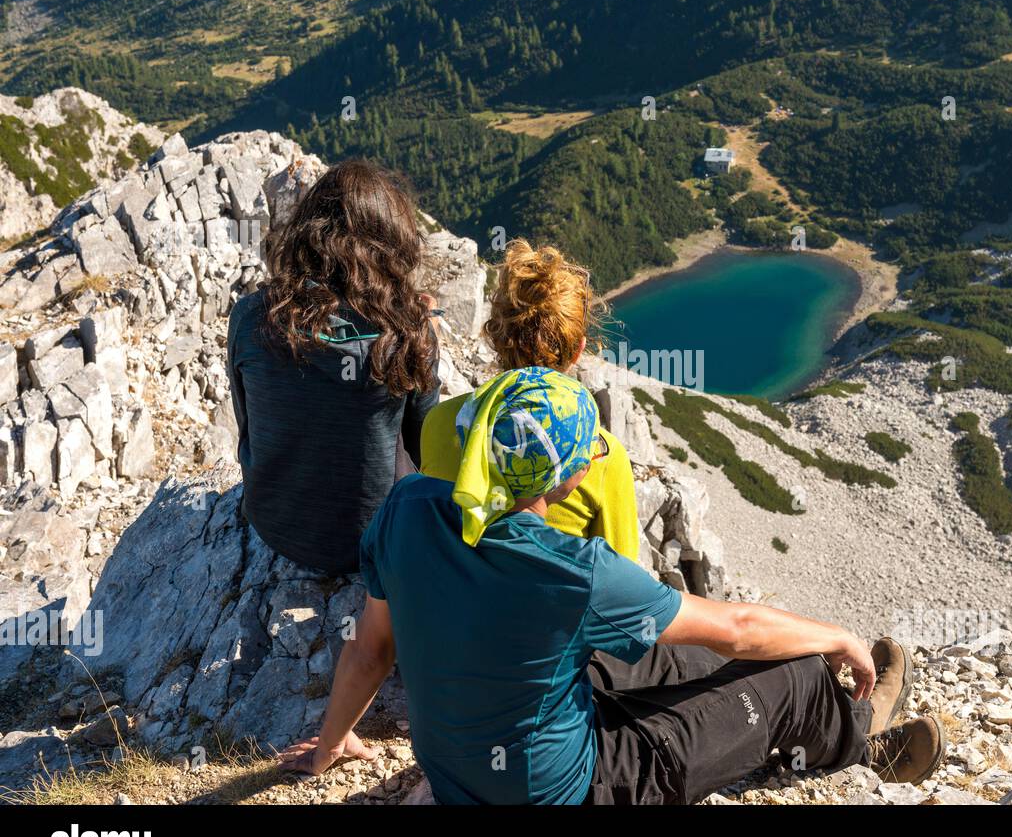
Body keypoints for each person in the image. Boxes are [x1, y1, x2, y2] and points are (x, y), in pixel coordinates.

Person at [279, 367, 945, 804]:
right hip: (575, 788)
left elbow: (370, 650)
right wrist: (836, 636)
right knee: (792, 676)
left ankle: (823, 709)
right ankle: (863, 738)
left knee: (669, 651)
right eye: (587, 451)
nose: (596, 456)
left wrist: (331, 746)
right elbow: (738, 628)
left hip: (460, 775)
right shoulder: (568, 567)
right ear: (559, 478)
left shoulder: (408, 509)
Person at [227, 159, 440, 575]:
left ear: (307, 234)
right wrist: (417, 331)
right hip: (375, 541)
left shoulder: (250, 317)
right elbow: (424, 448)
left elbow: (248, 426)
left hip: (277, 526)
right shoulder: (408, 334)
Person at [420, 238, 639, 560]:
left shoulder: (441, 421)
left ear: (494, 335)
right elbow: (622, 573)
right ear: (579, 349)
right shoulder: (602, 455)